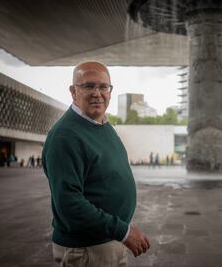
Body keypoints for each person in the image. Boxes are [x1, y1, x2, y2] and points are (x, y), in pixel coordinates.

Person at [42, 61, 149, 266]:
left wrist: (120, 230)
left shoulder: (103, 125)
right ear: (73, 92)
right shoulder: (65, 136)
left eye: (103, 87)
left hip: (108, 239)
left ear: (110, 90)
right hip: (87, 250)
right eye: (88, 86)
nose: (97, 93)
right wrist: (123, 231)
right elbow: (69, 204)